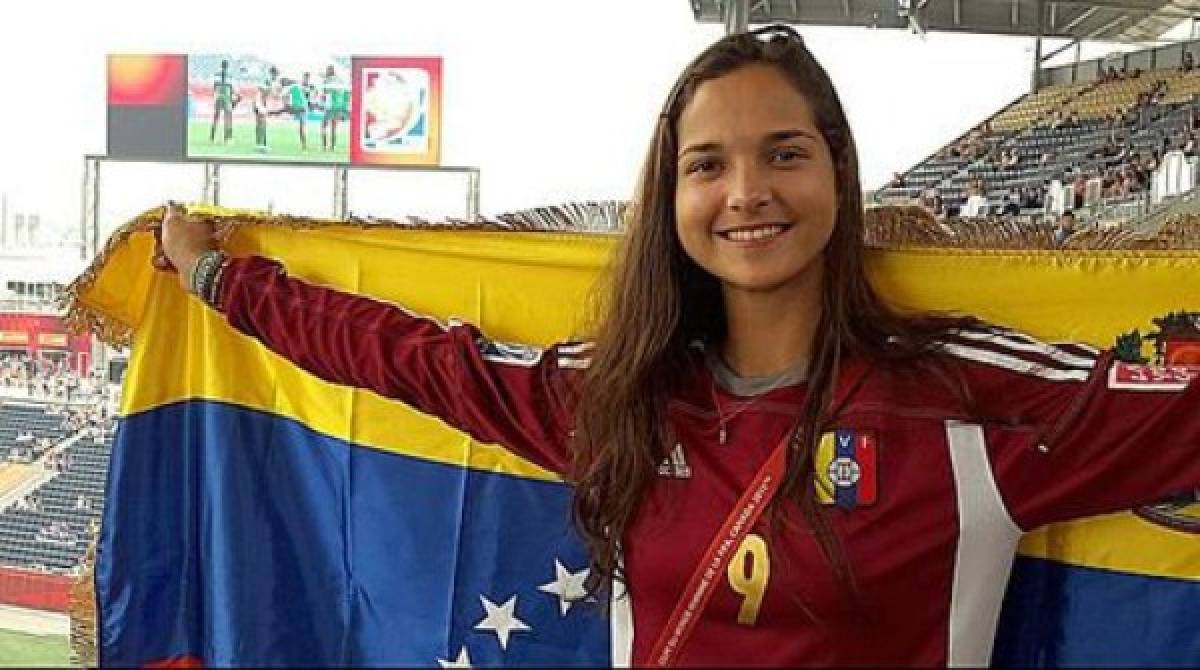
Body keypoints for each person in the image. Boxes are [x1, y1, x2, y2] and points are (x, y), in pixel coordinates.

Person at [158, 26, 1200, 666]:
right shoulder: (618, 399)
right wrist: (219, 277)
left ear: (836, 170)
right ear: (674, 196)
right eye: (708, 164)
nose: (745, 191)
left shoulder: (973, 398)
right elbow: (417, 358)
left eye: (782, 154)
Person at [319, 65, 350, 152]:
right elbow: (346, 93)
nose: (326, 72)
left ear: (329, 71)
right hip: (339, 106)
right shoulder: (340, 80)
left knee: (323, 126)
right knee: (334, 127)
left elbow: (325, 92)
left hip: (330, 106)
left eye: (327, 70)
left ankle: (324, 146)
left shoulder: (327, 80)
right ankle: (332, 147)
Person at [208, 59, 238, 144]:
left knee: (216, 117)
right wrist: (235, 97)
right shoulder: (230, 76)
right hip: (226, 97)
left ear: (221, 65)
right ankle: (227, 139)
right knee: (228, 118)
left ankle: (212, 137)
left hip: (218, 97)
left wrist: (216, 95)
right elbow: (232, 88)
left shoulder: (216, 75)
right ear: (227, 66)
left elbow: (214, 87)